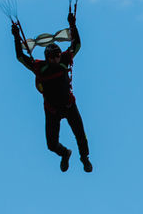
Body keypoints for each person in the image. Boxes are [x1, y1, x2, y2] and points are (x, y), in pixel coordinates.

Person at [11, 10, 92, 173]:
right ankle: (65, 154)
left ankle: (84, 159)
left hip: (69, 106)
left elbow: (77, 45)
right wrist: (16, 35)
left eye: (56, 56)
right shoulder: (39, 67)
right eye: (52, 57)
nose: (55, 59)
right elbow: (20, 57)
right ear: (47, 58)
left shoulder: (65, 58)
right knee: (51, 145)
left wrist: (73, 25)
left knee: (81, 136)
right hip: (52, 111)